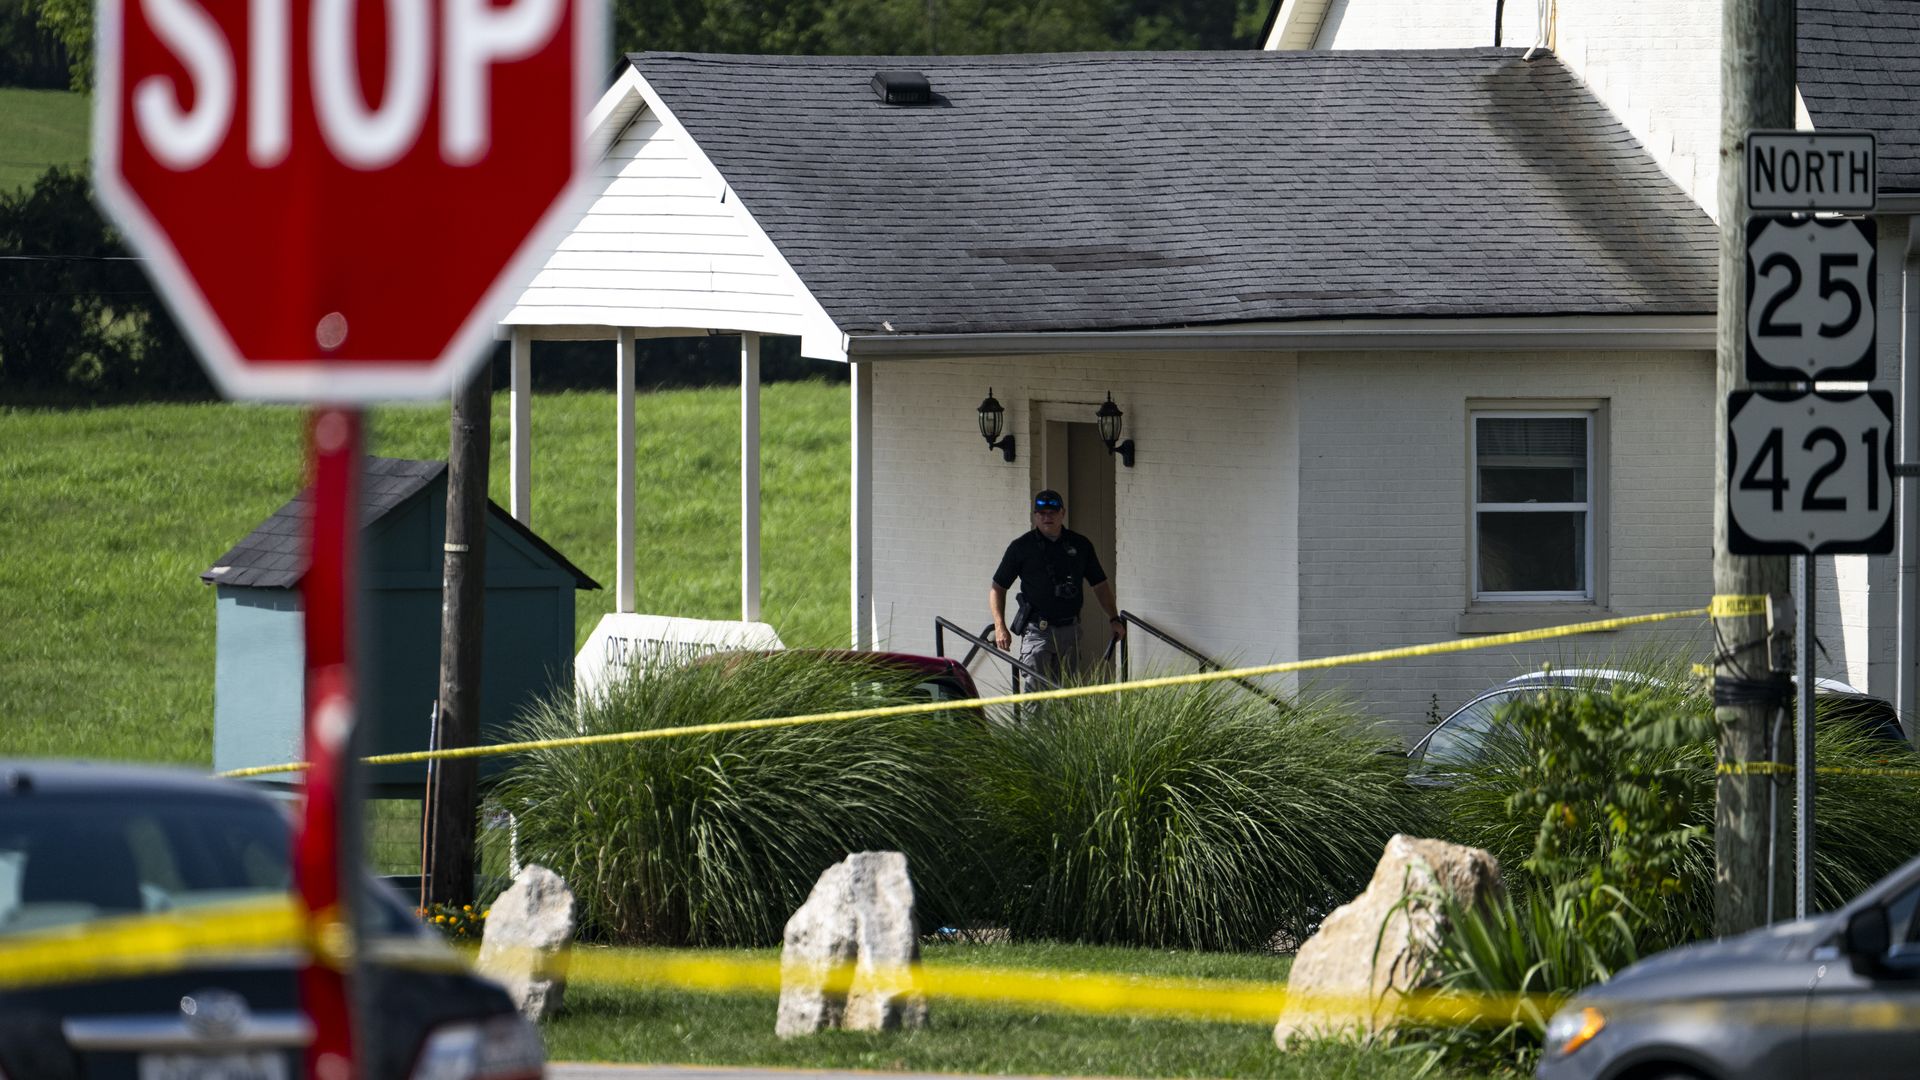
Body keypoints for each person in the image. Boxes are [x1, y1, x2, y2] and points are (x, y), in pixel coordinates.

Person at [989, 489, 1123, 682]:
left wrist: (1114, 618)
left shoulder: (1080, 545)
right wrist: (1000, 626)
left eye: (1052, 512)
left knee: (1066, 701)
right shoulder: (1021, 547)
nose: (1047, 517)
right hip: (1037, 632)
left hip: (1070, 630)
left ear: (1063, 513)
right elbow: (998, 588)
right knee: (1035, 701)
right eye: (1041, 513)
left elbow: (1100, 584)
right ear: (1035, 515)